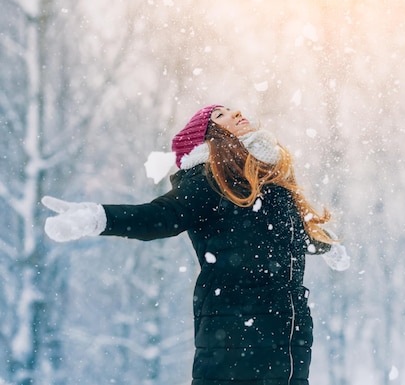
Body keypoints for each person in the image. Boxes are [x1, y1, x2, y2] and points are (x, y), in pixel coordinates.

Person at [42, 105, 349, 385]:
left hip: (289, 340)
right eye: (221, 115)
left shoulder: (271, 181)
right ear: (210, 136)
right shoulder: (208, 179)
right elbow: (160, 216)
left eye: (231, 109)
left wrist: (327, 246)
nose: (235, 113)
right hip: (235, 335)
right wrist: (100, 218)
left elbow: (294, 236)